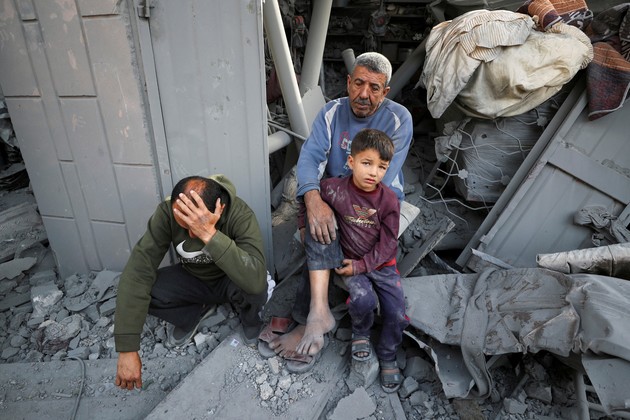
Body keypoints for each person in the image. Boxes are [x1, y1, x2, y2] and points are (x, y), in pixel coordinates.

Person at [266, 52, 413, 363]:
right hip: (338, 192)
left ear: (385, 92)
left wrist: (334, 207)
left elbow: (379, 181)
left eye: (374, 88)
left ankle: (310, 318)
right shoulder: (332, 112)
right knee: (315, 216)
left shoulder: (399, 119)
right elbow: (309, 158)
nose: (364, 94)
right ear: (348, 82)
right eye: (358, 83)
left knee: (323, 229)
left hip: (377, 201)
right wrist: (314, 199)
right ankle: (317, 313)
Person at [114, 175, 268, 391]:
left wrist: (210, 234)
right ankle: (194, 312)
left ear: (219, 209)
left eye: (194, 226)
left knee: (256, 285)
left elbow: (256, 279)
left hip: (230, 279)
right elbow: (139, 270)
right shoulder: (168, 212)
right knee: (143, 289)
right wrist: (127, 347)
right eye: (184, 226)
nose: (189, 234)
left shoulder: (239, 213)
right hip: (194, 278)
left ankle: (249, 318)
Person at [304, 129, 409, 392]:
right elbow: (309, 202)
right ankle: (360, 332)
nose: (373, 172)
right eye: (367, 163)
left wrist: (363, 265)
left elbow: (389, 243)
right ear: (351, 162)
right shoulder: (334, 189)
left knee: (397, 312)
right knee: (363, 300)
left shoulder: (388, 201)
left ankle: (387, 354)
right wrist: (304, 226)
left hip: (382, 265)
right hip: (351, 262)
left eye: (381, 167)